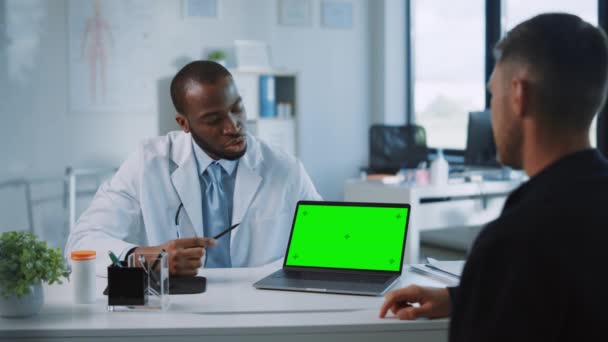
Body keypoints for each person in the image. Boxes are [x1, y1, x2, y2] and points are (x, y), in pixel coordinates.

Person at [379, 13, 608, 341]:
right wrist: (462, 297)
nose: (491, 110)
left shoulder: (513, 241)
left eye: (492, 94)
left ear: (518, 96)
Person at [66, 61, 321, 275]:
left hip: (259, 308)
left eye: (237, 109)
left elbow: (323, 245)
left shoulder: (284, 168)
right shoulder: (148, 163)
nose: (233, 127)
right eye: (213, 119)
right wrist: (148, 259)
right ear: (183, 123)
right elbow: (81, 243)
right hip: (178, 309)